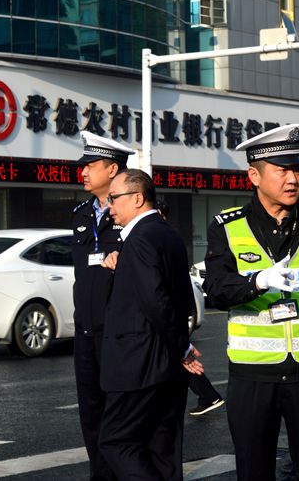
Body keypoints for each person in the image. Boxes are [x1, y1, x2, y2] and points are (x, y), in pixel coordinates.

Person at [203, 124, 299, 481]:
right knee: (253, 471)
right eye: (282, 170)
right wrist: (257, 282)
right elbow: (216, 290)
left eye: (297, 169)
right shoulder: (226, 227)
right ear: (254, 176)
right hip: (252, 375)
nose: (292, 178)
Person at [98, 169, 203, 479]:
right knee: (164, 449)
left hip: (139, 365)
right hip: (166, 365)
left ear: (138, 198)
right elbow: (178, 298)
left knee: (116, 442)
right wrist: (179, 346)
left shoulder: (140, 239)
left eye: (114, 198)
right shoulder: (167, 233)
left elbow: (156, 301)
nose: (109, 206)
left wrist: (183, 348)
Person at [71, 131, 134, 481]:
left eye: (89, 166)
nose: (83, 172)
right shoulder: (81, 213)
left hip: (117, 331)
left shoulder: (132, 212)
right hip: (85, 329)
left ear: (111, 170)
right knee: (90, 412)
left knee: (119, 413)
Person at [156, 199, 226, 416]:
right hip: (172, 307)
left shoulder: (161, 235)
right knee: (175, 354)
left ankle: (208, 395)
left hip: (167, 308)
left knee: (174, 353)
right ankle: (208, 395)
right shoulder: (165, 233)